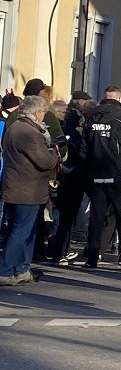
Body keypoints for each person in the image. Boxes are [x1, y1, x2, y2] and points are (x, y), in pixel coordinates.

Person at [82, 86, 121, 272]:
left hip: (96, 176)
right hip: (119, 176)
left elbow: (84, 150)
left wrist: (87, 174)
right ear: (119, 98)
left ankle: (92, 257)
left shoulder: (91, 120)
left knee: (96, 217)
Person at [0, 95, 59, 286]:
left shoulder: (14, 127)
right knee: (21, 231)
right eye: (43, 112)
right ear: (37, 113)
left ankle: (22, 269)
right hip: (28, 190)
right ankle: (7, 270)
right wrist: (53, 154)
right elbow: (45, 161)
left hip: (15, 186)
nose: (43, 117)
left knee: (22, 231)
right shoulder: (30, 133)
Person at [46, 91, 94, 265]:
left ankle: (56, 251)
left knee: (59, 218)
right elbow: (81, 157)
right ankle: (61, 252)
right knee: (67, 220)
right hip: (73, 180)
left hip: (59, 178)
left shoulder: (58, 134)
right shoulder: (75, 137)